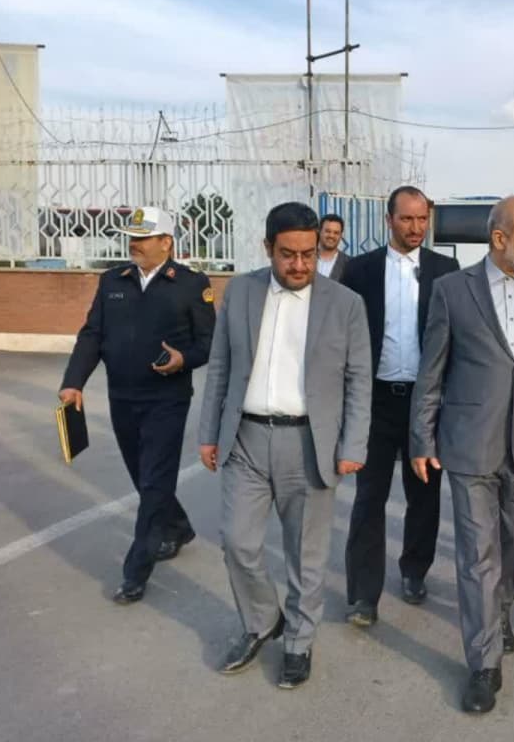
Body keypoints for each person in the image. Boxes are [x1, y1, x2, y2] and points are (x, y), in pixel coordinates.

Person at [410, 195, 514, 714]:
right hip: (469, 443)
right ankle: (483, 664)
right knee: (477, 555)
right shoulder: (452, 291)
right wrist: (422, 439)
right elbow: (432, 369)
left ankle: (501, 608)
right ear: (500, 238)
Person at [198, 202, 371, 689]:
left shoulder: (345, 304)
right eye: (287, 254)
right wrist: (208, 433)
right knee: (238, 541)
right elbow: (220, 365)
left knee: (305, 556)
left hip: (310, 443)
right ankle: (262, 621)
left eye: (308, 254)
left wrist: (353, 444)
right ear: (267, 248)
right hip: (246, 440)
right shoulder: (242, 292)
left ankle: (298, 642)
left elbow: (359, 380)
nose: (299, 265)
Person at [60, 206, 216, 604]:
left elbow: (208, 343)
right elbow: (92, 334)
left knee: (153, 482)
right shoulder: (113, 281)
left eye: (142, 238)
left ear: (166, 242)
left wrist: (184, 359)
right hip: (122, 397)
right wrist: (73, 382)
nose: (134, 245)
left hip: (167, 400)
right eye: (131, 237)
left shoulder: (191, 284)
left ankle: (136, 571)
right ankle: (178, 525)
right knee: (142, 475)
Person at [339, 186, 460, 626]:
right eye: (407, 219)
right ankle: (362, 595)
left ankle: (414, 570)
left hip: (424, 405)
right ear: (389, 220)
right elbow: (343, 336)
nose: (415, 227)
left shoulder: (445, 271)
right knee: (368, 499)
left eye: (422, 219)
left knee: (423, 496)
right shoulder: (360, 270)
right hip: (374, 402)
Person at [317, 213, 350, 280]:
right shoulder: (306, 259)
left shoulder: (349, 263)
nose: (331, 236)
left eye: (336, 233)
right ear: (319, 232)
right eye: (328, 231)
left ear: (341, 236)